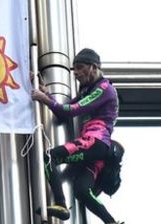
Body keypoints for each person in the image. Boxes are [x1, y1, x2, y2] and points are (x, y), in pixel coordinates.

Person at [31, 48, 122, 224]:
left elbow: (71, 110)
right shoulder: (88, 90)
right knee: (82, 191)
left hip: (95, 141)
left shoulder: (104, 88)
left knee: (49, 157)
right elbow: (63, 113)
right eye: (74, 69)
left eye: (80, 67)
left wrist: (45, 99)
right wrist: (47, 95)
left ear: (93, 67)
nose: (76, 73)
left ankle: (61, 204)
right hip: (95, 147)